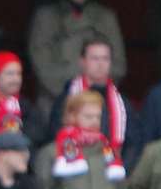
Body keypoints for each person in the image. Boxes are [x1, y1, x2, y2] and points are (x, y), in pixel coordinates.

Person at [27, 0, 127, 97]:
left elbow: (118, 64)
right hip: (56, 97)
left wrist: (96, 86)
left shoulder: (105, 17)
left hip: (98, 97)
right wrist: (71, 89)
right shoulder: (46, 16)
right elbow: (41, 64)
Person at [49, 37, 135, 167]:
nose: (100, 64)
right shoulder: (67, 99)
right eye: (94, 58)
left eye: (105, 58)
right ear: (82, 62)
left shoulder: (122, 103)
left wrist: (123, 170)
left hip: (113, 174)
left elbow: (134, 142)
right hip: (76, 170)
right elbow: (56, 136)